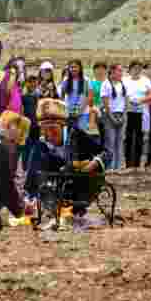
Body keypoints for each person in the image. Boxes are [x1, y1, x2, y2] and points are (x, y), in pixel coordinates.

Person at [25, 98, 109, 230]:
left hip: (80, 186)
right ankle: (39, 202)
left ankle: (71, 211)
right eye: (44, 129)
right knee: (38, 152)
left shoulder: (77, 135)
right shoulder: (42, 143)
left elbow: (106, 153)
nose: (48, 134)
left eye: (52, 129)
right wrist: (31, 198)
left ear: (62, 125)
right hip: (57, 187)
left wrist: (94, 163)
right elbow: (34, 171)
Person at [122, 61, 151, 170]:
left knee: (139, 137)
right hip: (128, 111)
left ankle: (137, 163)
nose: (137, 70)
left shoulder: (146, 80)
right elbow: (120, 94)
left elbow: (150, 95)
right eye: (134, 68)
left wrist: (140, 100)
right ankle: (128, 163)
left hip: (141, 111)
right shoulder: (124, 80)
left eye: (139, 68)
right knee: (128, 137)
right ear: (130, 69)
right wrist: (128, 101)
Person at [99, 64, 127, 171]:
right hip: (109, 115)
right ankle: (109, 167)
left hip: (121, 114)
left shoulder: (122, 84)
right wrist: (111, 117)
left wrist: (124, 115)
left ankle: (118, 166)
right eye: (119, 71)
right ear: (112, 72)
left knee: (119, 141)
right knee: (110, 141)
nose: (121, 73)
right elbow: (106, 103)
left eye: (121, 71)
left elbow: (126, 100)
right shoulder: (106, 84)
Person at [59, 60, 93, 134]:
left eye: (75, 67)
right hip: (69, 112)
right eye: (71, 67)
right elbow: (62, 96)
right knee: (69, 135)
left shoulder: (86, 80)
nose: (73, 69)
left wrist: (80, 111)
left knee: (81, 135)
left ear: (80, 68)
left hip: (82, 113)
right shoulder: (66, 80)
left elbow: (89, 96)